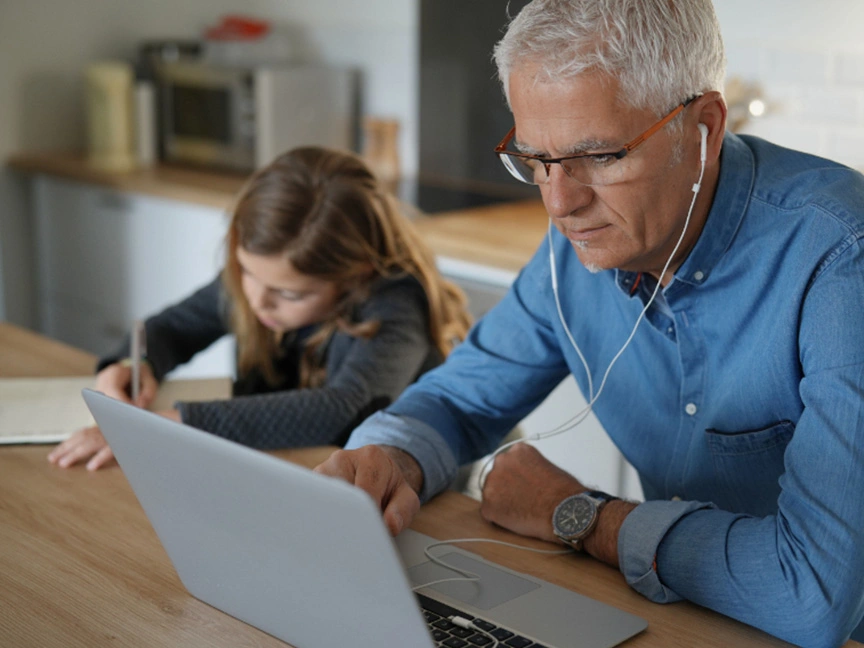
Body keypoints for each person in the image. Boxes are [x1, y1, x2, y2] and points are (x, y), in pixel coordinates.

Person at [312, 1, 864, 646]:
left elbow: (813, 596)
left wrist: (578, 517)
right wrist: (391, 460)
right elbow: (458, 401)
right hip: (683, 619)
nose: (560, 203)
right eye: (534, 159)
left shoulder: (841, 262)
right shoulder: (582, 247)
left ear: (704, 127)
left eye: (598, 156)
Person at [48, 146, 472, 471]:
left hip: (420, 496)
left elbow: (340, 407)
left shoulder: (398, 302)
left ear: (355, 273)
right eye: (248, 274)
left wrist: (171, 425)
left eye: (290, 294)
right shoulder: (262, 278)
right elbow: (172, 328)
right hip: (293, 471)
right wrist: (130, 363)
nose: (258, 300)